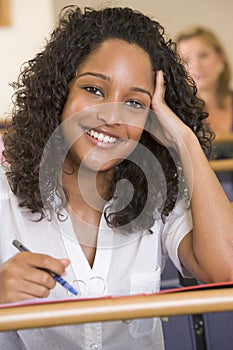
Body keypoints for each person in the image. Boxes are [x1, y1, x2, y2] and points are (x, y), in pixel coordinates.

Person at [0, 6, 233, 350]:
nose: (110, 116)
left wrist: (184, 140)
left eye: (135, 103)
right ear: (61, 92)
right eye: (94, 89)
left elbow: (226, 271)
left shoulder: (160, 191)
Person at [175, 26, 233, 200]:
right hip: (201, 207)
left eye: (203, 55)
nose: (196, 66)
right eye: (186, 60)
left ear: (221, 59)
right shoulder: (178, 114)